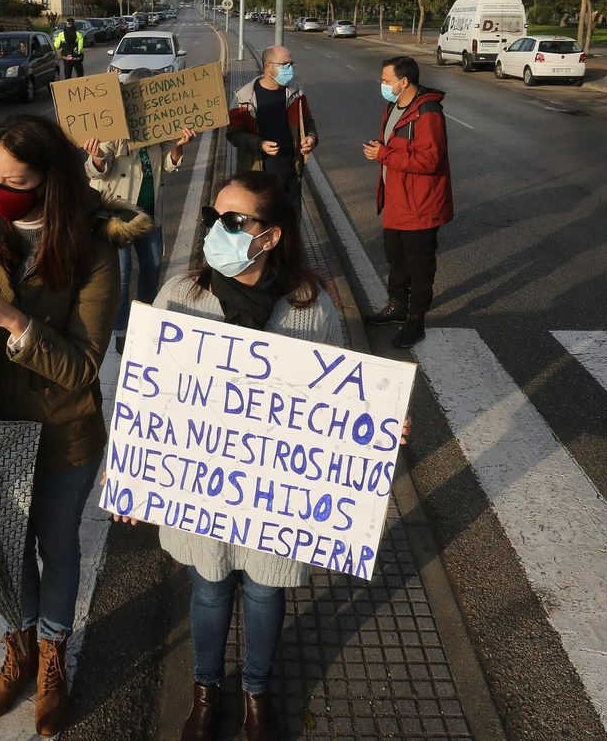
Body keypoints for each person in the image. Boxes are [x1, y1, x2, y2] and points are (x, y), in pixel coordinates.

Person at [0, 113, 149, 737]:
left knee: (57, 545)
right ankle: (19, 646)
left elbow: (84, 364)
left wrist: (14, 321)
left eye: (15, 182)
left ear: (50, 178)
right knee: (3, 547)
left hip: (61, 433)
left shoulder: (93, 243)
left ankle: (51, 657)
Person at [118, 170, 342, 741]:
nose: (217, 229)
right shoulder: (181, 296)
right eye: (213, 218)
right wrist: (132, 475)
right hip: (202, 486)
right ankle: (206, 689)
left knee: (265, 590)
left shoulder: (309, 307)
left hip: (274, 490)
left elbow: (339, 400)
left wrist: (376, 429)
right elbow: (147, 393)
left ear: (271, 235)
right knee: (210, 586)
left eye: (234, 221)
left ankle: (257, 692)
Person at [83, 77, 198, 352]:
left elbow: (169, 165)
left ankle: (145, 322)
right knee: (122, 276)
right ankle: (122, 330)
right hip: (118, 217)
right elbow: (97, 171)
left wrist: (179, 146)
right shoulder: (111, 126)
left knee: (153, 266)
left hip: (149, 214)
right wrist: (97, 156)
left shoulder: (159, 126)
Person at [361, 55, 452, 349]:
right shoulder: (393, 106)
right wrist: (381, 150)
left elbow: (430, 160)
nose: (382, 85)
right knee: (396, 259)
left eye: (386, 80)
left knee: (419, 266)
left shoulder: (427, 113)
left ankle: (416, 320)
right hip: (395, 200)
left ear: (403, 81)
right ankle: (397, 306)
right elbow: (396, 148)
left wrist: (384, 155)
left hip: (420, 205)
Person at [226, 45, 318, 216]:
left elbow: (308, 122)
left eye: (292, 64)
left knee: (290, 228)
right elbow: (233, 134)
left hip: (291, 178)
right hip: (258, 182)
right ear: (268, 66)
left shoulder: (296, 93)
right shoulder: (243, 97)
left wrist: (311, 138)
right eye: (285, 65)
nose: (290, 69)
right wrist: (260, 144)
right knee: (262, 228)